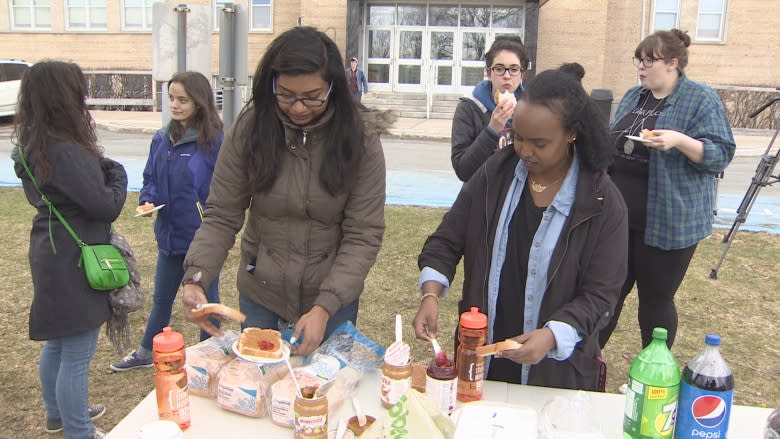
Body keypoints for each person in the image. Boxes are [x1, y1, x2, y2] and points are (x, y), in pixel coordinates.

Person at [412, 69, 629, 391]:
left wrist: (554, 334)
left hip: (555, 373)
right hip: (484, 361)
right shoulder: (495, 173)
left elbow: (601, 295)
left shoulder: (601, 201)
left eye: (539, 143)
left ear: (571, 134)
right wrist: (430, 294)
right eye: (518, 137)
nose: (525, 151)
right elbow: (447, 238)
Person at [180, 26, 390, 356]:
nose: (299, 107)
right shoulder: (250, 130)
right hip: (261, 291)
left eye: (312, 96)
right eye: (287, 94)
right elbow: (222, 214)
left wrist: (325, 306)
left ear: (333, 87)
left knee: (321, 393)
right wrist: (195, 278)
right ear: (271, 84)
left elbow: (363, 234)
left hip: (331, 296)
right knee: (260, 391)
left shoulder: (360, 138)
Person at [598, 29, 735, 349]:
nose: (641, 67)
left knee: (655, 300)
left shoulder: (699, 98)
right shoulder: (634, 95)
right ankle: (587, 365)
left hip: (669, 223)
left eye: (649, 60)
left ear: (673, 63)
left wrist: (679, 141)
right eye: (639, 59)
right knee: (608, 293)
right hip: (619, 220)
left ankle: (654, 369)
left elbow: (720, 154)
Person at [13, 61, 128, 439]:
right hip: (75, 259)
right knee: (76, 352)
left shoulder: (33, 141)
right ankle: (78, 429)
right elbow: (105, 205)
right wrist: (116, 173)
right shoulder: (64, 148)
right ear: (65, 97)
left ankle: (57, 413)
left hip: (50, 248)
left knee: (59, 342)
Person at [110, 71, 224, 371]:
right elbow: (150, 177)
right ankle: (146, 351)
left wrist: (210, 217)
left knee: (205, 303)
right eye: (171, 98)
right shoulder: (161, 138)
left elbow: (224, 187)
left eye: (183, 100)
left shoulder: (213, 140)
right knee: (161, 299)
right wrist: (147, 199)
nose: (175, 105)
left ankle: (206, 356)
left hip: (201, 238)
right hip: (169, 236)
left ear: (199, 102)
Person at [451, 35, 529, 182]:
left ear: (522, 74)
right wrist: (492, 130)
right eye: (499, 69)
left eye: (514, 69)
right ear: (489, 72)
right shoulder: (469, 108)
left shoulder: (532, 108)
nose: (507, 76)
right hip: (482, 197)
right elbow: (463, 170)